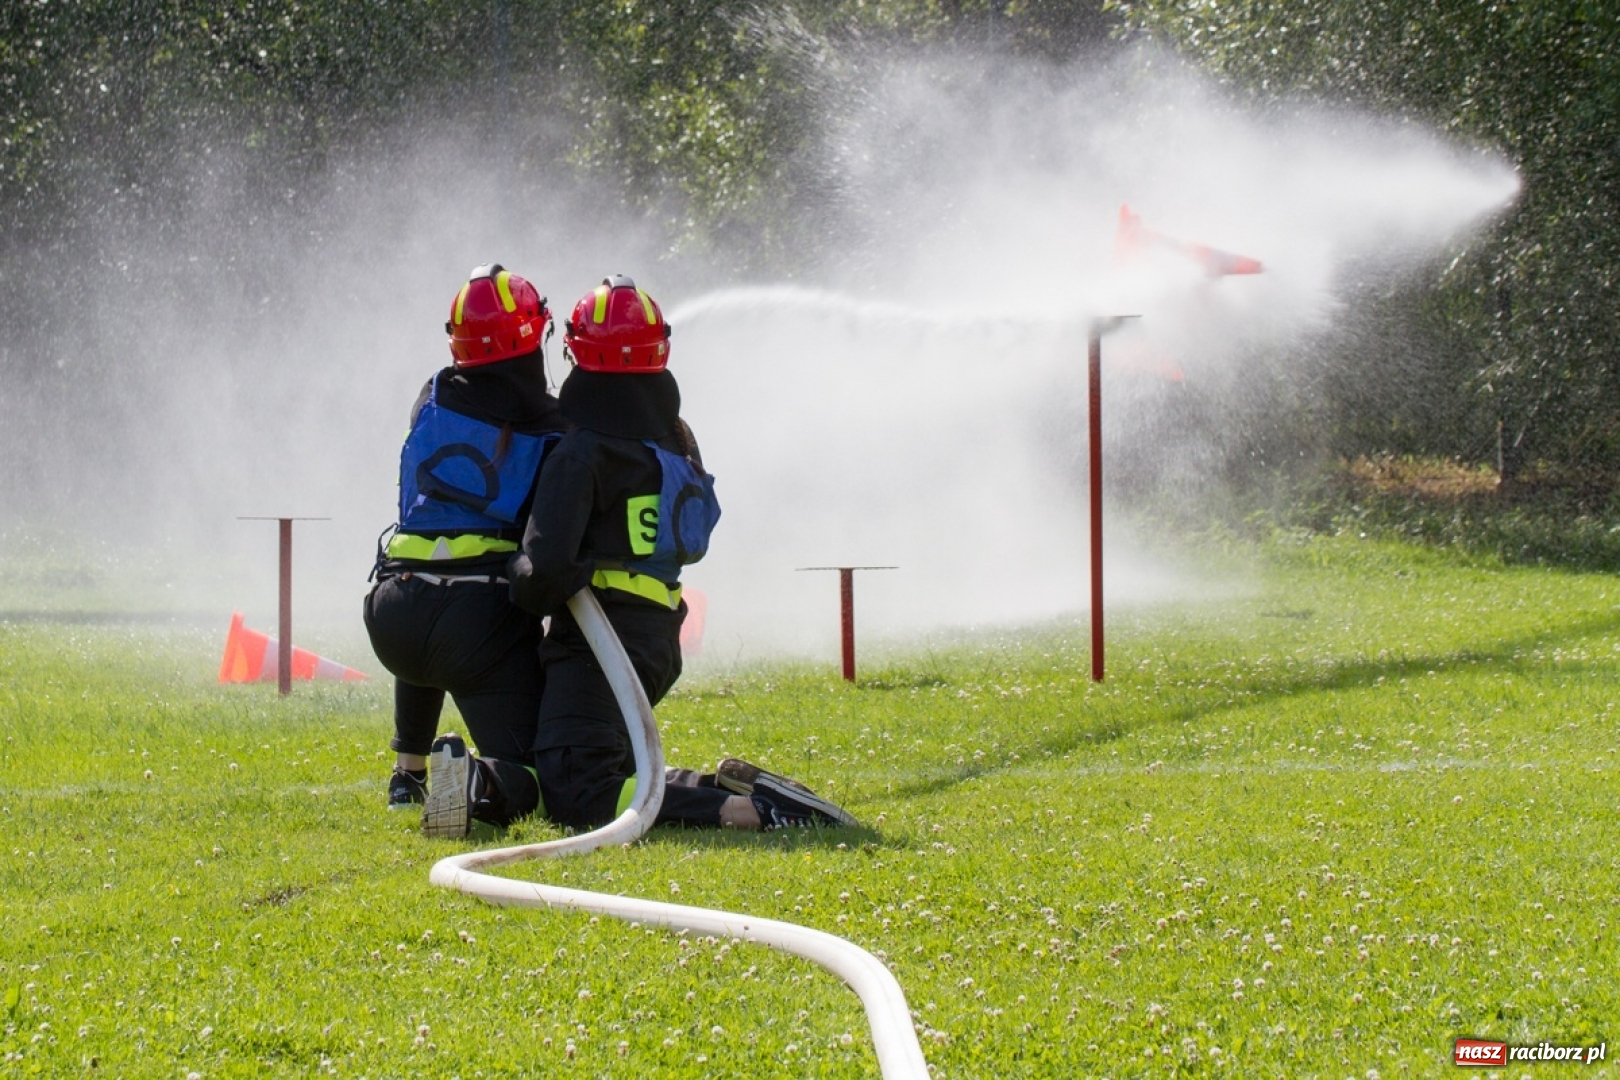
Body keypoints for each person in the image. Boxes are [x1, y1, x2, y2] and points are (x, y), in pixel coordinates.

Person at [418, 275, 854, 837]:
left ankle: (747, 812)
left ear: (574, 351)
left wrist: (512, 575)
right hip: (655, 635)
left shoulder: (581, 454)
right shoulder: (673, 438)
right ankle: (723, 789)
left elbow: (543, 571)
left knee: (578, 788)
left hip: (599, 641)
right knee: (592, 766)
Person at [363, 264, 566, 811]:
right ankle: (477, 780)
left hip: (393, 609)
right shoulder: (552, 428)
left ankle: (408, 775)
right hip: (478, 624)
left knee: (430, 593)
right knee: (536, 776)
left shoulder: (432, 397)